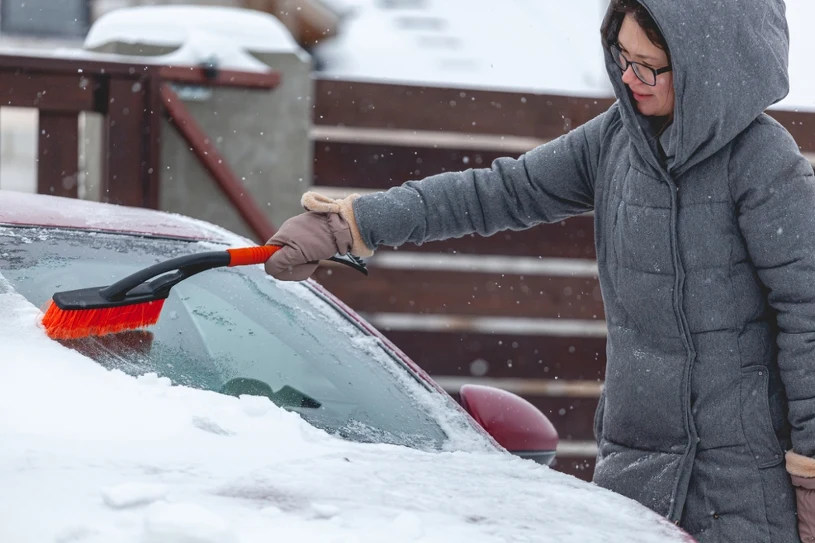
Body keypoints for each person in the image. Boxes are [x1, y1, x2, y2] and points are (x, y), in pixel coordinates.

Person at [263, 0, 815, 541]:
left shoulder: (764, 166)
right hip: (636, 471)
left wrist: (811, 472)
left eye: (649, 66)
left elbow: (809, 316)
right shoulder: (616, 142)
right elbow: (500, 192)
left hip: (744, 487)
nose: (630, 77)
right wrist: (352, 224)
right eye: (621, 56)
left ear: (707, 70)